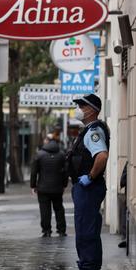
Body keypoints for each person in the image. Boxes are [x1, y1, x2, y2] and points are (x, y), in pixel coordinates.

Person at [67, 94, 110, 270]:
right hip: (84, 188)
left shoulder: (93, 132)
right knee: (84, 229)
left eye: (82, 106)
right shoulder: (88, 129)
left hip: (89, 188)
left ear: (92, 110)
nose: (79, 110)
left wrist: (90, 177)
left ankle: (89, 265)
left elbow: (102, 156)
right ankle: (87, 263)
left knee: (86, 230)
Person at [30, 130, 68, 237]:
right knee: (59, 209)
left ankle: (46, 230)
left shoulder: (39, 155)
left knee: (44, 210)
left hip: (43, 188)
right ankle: (61, 230)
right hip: (57, 187)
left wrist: (33, 186)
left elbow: (34, 172)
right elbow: (65, 172)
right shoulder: (61, 155)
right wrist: (64, 185)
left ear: (46, 141)